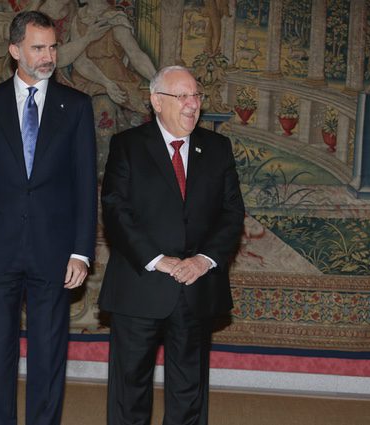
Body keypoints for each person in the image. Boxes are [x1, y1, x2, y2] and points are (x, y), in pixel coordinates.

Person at [0, 11, 97, 425]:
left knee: (49, 356)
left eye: (52, 46)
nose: (48, 55)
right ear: (15, 50)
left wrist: (81, 252)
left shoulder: (77, 106)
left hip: (55, 253)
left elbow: (87, 185)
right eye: (38, 47)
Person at [99, 65, 245, 425]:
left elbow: (232, 214)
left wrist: (203, 260)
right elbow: (116, 210)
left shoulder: (218, 148)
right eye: (182, 96)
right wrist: (156, 259)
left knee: (188, 392)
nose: (192, 104)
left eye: (196, 96)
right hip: (139, 285)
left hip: (197, 287)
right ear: (156, 102)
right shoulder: (127, 145)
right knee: (129, 390)